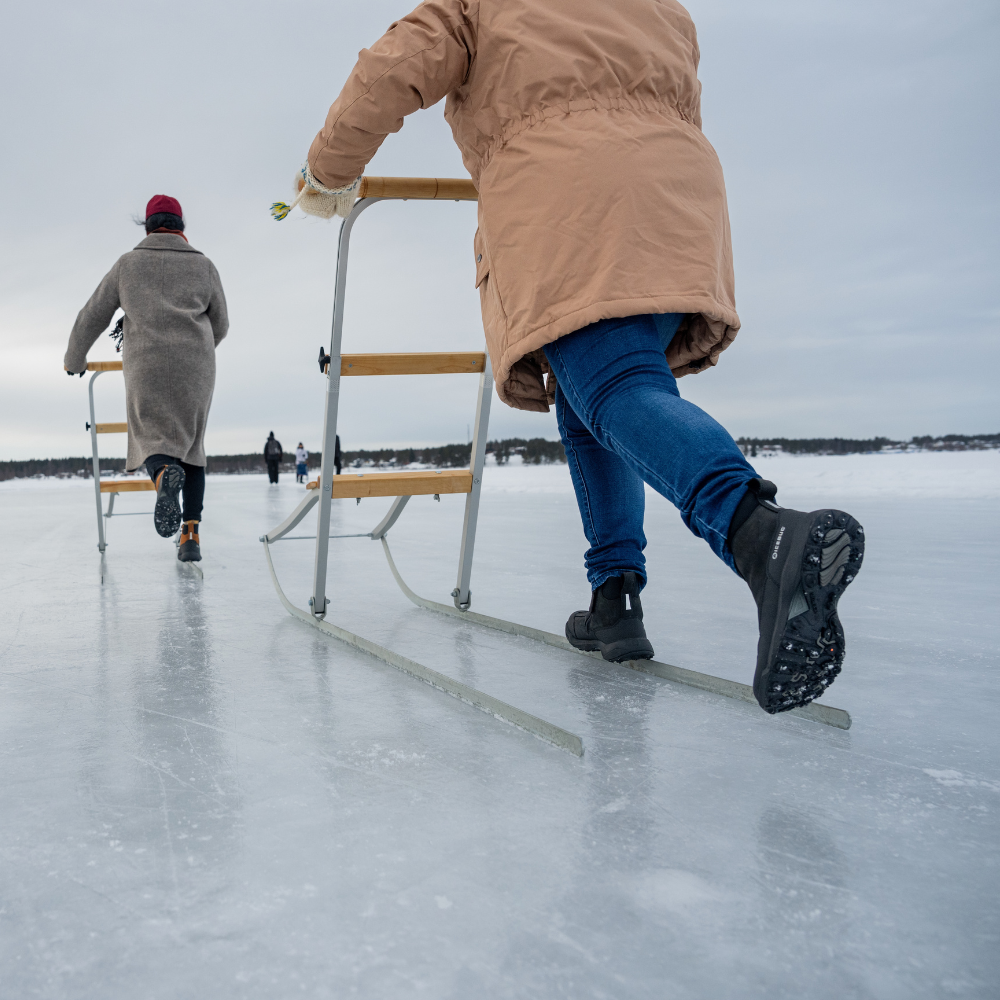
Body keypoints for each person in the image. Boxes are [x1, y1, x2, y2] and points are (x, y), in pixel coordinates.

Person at [286, 0, 865, 715]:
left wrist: (324, 174)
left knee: (615, 388)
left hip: (569, 200)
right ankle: (614, 596)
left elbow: (395, 67)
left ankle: (760, 534)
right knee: (592, 396)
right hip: (677, 199)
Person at [64, 194, 228, 563]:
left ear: (148, 227)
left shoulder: (128, 264)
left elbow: (93, 314)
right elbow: (222, 324)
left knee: (150, 436)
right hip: (197, 366)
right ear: (181, 226)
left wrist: (75, 359)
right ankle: (190, 537)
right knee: (193, 447)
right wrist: (198, 351)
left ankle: (162, 474)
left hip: (146, 364)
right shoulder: (204, 266)